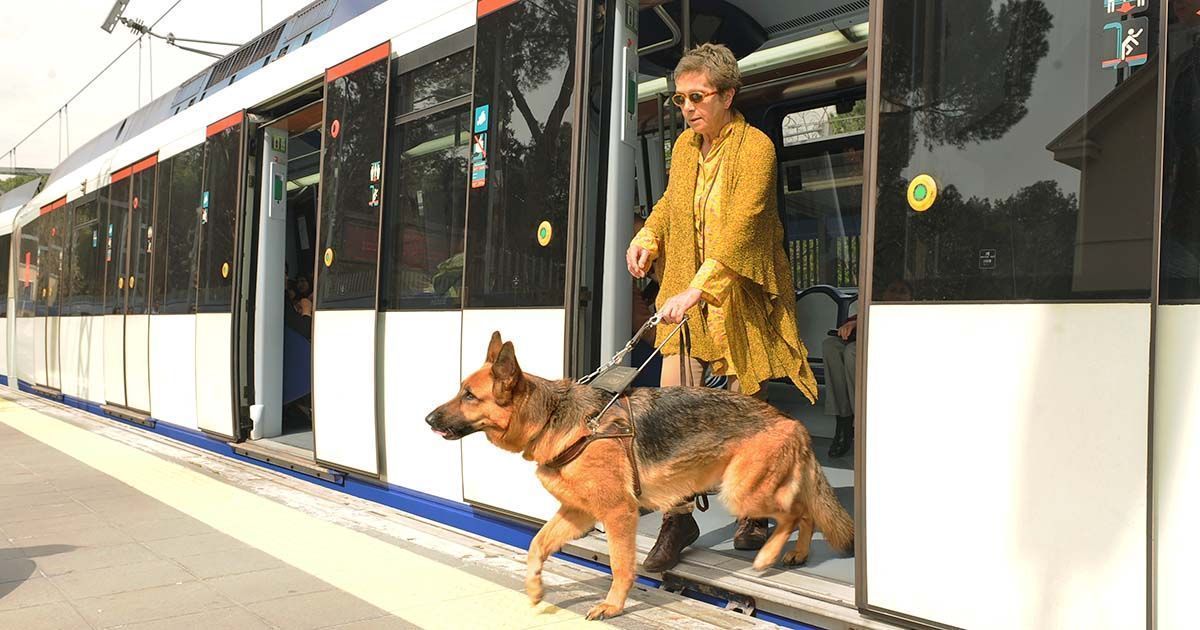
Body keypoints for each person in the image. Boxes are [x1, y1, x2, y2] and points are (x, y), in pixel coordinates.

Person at [626, 43, 819, 572]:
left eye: (697, 97)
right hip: (688, 303)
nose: (687, 108)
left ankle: (754, 511)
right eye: (679, 99)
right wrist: (648, 237)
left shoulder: (756, 148)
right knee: (673, 414)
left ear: (728, 94)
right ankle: (677, 516)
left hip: (738, 297)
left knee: (741, 413)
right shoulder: (686, 149)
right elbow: (669, 203)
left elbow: (744, 226)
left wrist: (696, 287)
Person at [822, 279, 912, 458]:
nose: (897, 295)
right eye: (893, 289)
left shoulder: (911, 311)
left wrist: (858, 324)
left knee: (852, 353)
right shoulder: (870, 306)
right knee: (831, 345)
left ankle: (861, 421)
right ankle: (843, 421)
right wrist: (853, 325)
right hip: (862, 344)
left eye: (903, 291)